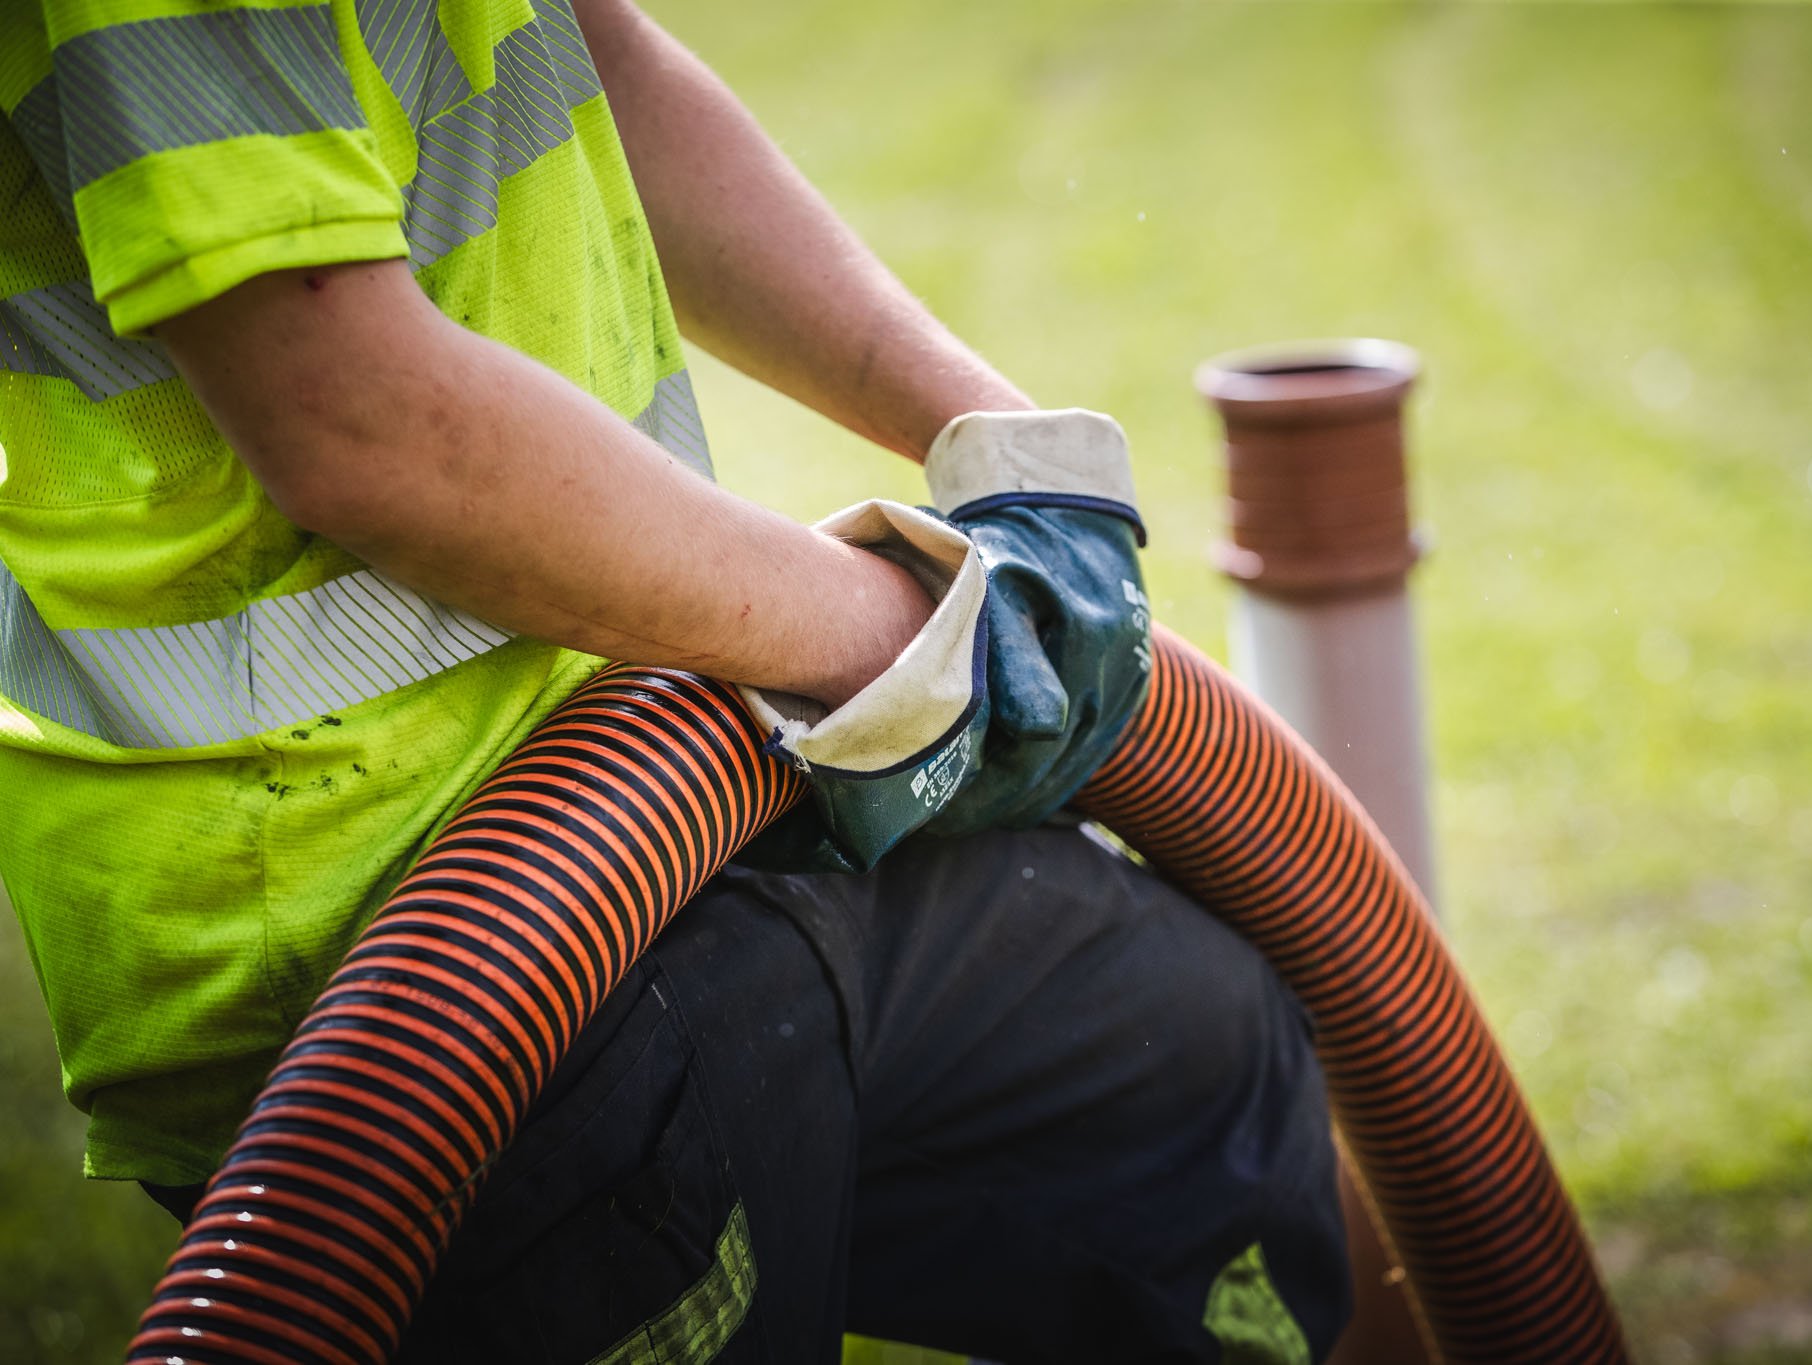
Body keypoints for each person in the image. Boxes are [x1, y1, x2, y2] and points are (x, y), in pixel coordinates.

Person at [0, 0, 1353, 1358]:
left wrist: (1001, 443)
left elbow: (594, 54)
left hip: (676, 807)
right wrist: (903, 640)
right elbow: (358, 418)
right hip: (403, 970)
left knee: (1200, 1072)